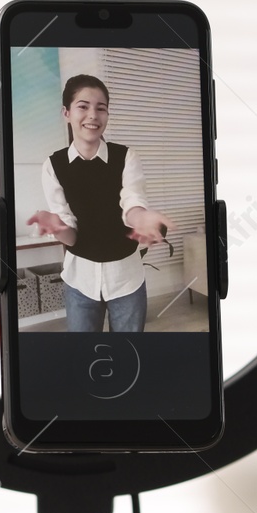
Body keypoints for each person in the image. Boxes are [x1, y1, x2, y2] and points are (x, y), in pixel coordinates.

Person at [25, 74, 176, 332]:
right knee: (83, 359)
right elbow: (72, 235)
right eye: (83, 106)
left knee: (129, 356)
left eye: (101, 108)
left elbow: (132, 199)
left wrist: (140, 218)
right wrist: (58, 226)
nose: (93, 115)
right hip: (79, 282)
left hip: (126, 280)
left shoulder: (126, 156)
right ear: (66, 112)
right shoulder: (53, 165)